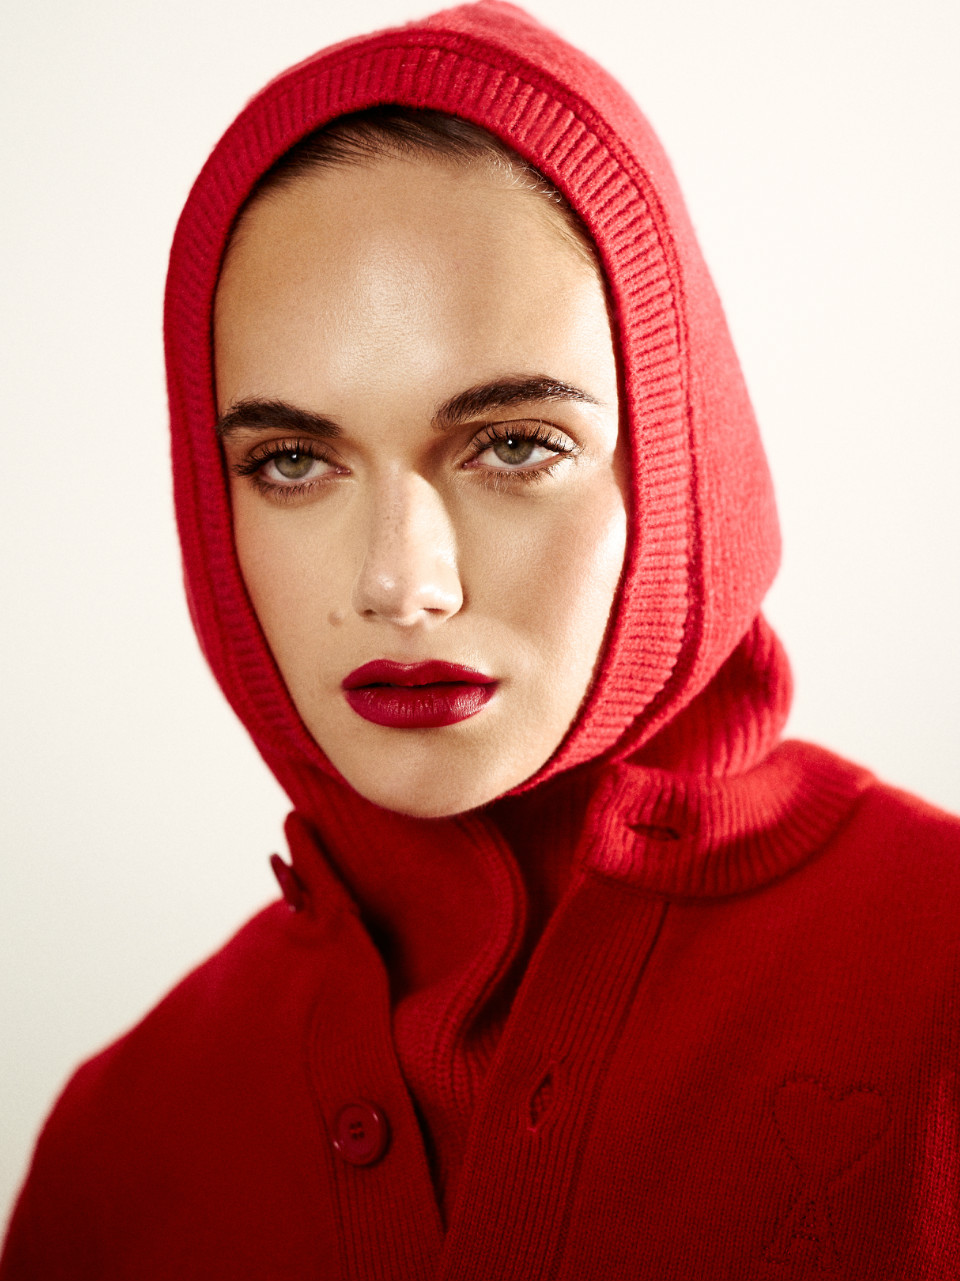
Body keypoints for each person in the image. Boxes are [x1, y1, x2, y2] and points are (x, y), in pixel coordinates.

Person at [2, 1, 958, 1276]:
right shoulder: (122, 1145)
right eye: (291, 460)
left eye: (513, 444)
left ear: (680, 458)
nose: (403, 584)